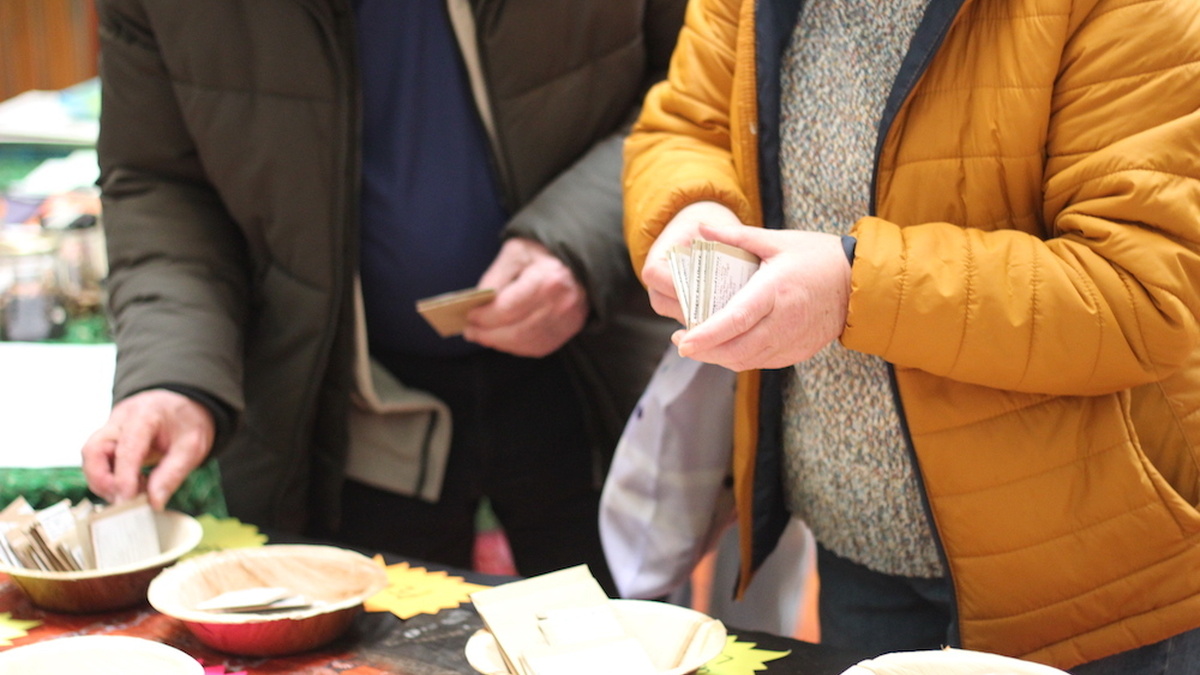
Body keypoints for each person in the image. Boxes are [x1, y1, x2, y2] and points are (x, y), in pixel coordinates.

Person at [622, 0, 1200, 671]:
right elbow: (687, 123)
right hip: (854, 535)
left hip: (1080, 576)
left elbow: (1138, 295)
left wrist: (852, 287)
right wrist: (690, 208)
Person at [81, 0, 684, 594]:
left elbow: (694, 88)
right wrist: (174, 372)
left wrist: (585, 241)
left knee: (629, 643)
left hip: (596, 374)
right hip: (348, 411)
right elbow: (161, 184)